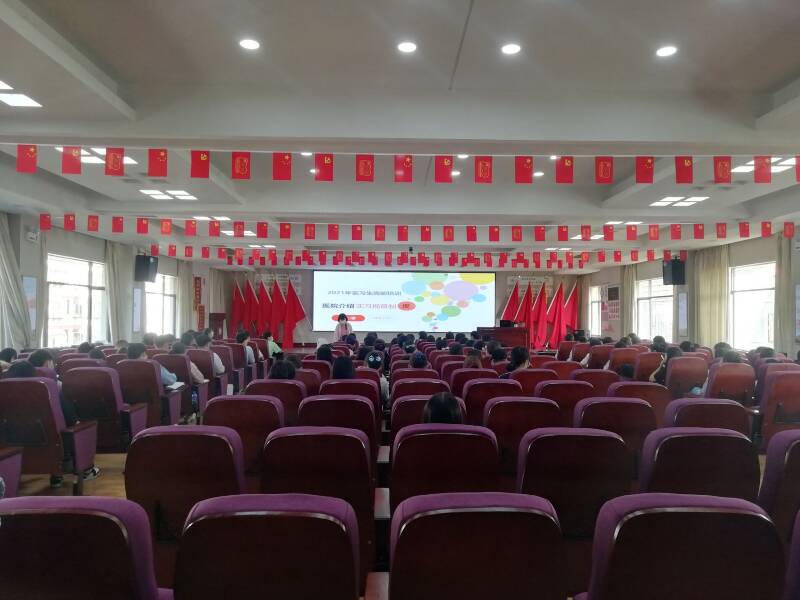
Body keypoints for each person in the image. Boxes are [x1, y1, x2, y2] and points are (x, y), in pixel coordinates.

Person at [4, 360, 100, 484]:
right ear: (34, 375)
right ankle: (86, 471)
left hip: (11, 453)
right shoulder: (50, 391)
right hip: (55, 452)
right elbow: (70, 420)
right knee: (78, 429)